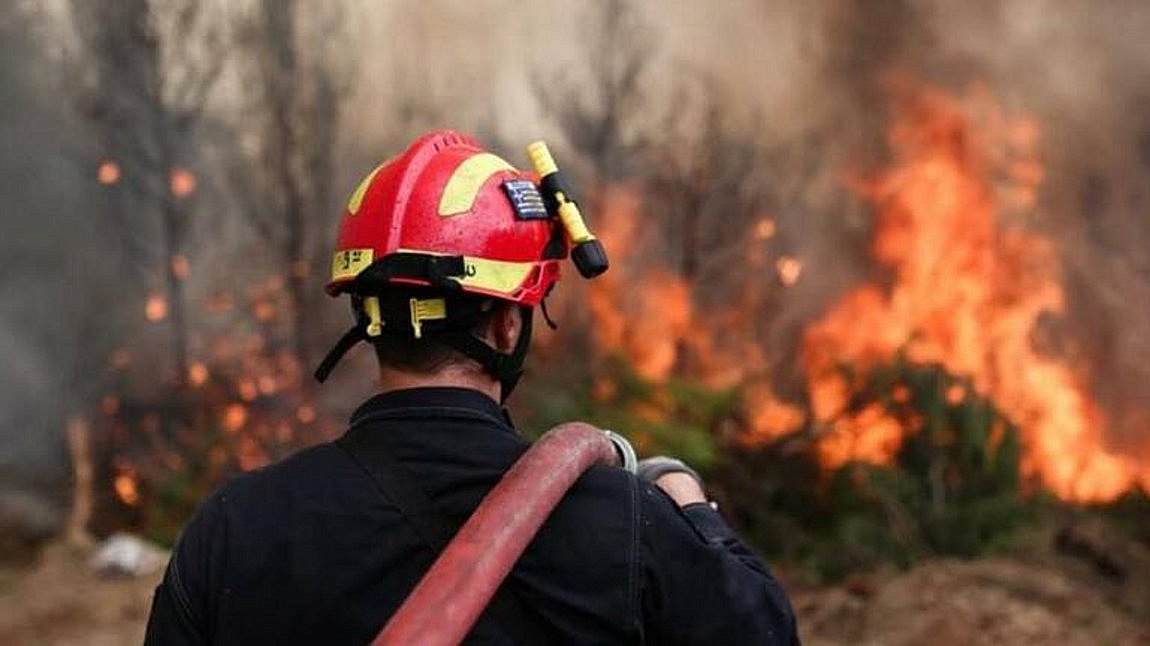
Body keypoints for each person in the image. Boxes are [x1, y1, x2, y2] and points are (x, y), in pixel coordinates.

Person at [144, 131, 798, 644]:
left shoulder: (235, 529)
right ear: (509, 324)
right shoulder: (622, 522)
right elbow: (764, 631)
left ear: (366, 315)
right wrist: (688, 504)